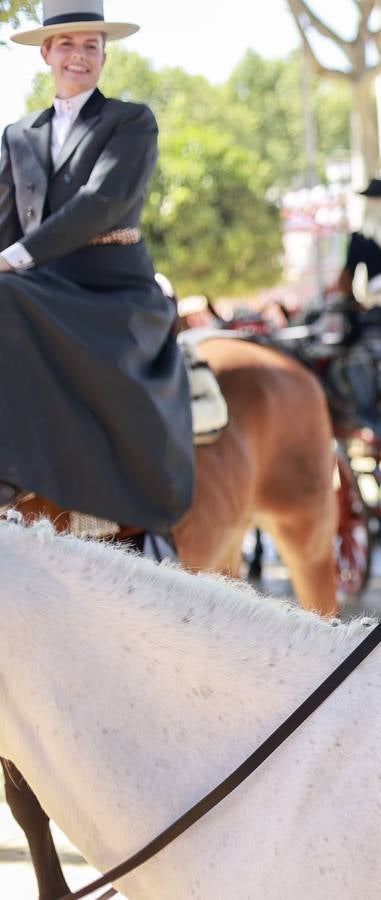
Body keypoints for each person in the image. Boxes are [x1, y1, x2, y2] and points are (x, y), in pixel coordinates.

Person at [0, 1, 193, 543]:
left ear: (105, 55)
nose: (79, 56)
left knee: (5, 297)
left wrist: (13, 259)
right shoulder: (18, 134)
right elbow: (4, 222)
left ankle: (11, 474)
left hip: (110, 288)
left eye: (91, 46)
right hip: (42, 286)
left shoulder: (130, 121)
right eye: (67, 44)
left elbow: (101, 202)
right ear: (46, 53)